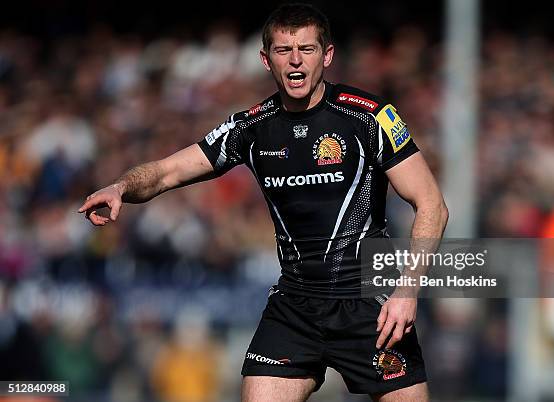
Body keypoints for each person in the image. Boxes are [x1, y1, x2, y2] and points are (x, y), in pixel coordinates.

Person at [78, 3, 448, 401]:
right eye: (283, 50)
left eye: (306, 49)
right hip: (295, 306)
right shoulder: (250, 128)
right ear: (265, 59)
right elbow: (168, 171)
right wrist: (120, 187)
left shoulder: (369, 117)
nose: (295, 61)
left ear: (327, 56)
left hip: (369, 304)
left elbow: (431, 205)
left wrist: (407, 292)